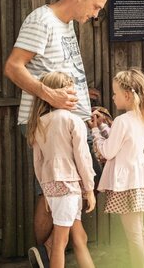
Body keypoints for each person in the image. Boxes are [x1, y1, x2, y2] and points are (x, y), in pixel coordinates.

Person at [4, 0, 108, 263]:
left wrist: (84, 98)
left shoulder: (67, 23)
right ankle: (50, 251)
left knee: (65, 188)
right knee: (50, 192)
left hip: (71, 120)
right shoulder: (42, 20)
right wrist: (52, 96)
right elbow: (13, 67)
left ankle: (54, 247)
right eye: (96, 6)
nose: (96, 14)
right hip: (50, 123)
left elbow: (54, 66)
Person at [26, 72, 96, 268]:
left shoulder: (38, 123)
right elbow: (83, 158)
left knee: (78, 237)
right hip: (69, 186)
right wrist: (89, 189)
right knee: (60, 243)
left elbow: (38, 163)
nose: (75, 98)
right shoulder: (73, 121)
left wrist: (47, 193)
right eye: (71, 93)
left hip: (51, 187)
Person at [92, 69, 144, 268]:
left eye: (115, 93)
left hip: (126, 183)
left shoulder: (122, 120)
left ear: (128, 96)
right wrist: (104, 127)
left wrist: (95, 131)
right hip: (139, 179)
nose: (113, 97)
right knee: (139, 231)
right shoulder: (143, 118)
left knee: (133, 234)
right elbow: (121, 140)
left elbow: (108, 151)